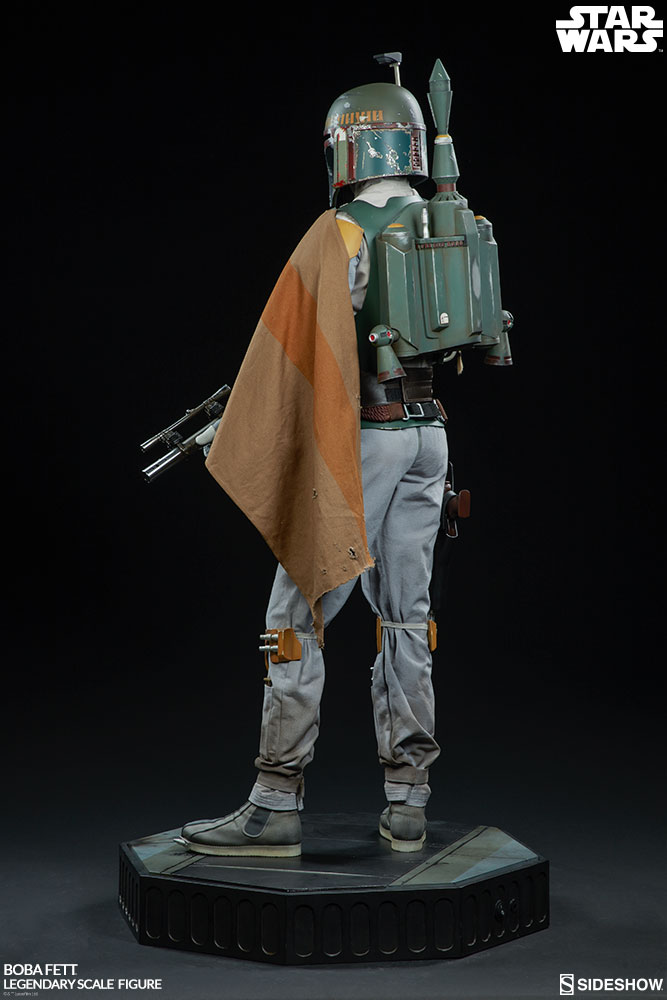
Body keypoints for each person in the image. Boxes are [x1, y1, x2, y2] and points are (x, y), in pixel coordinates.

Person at [180, 55, 507, 859]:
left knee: (295, 614)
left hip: (362, 438)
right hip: (429, 436)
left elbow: (293, 349)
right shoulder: (454, 221)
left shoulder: (340, 232)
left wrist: (244, 422)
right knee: (406, 616)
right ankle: (408, 801)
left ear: (349, 148)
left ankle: (274, 801)